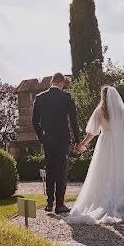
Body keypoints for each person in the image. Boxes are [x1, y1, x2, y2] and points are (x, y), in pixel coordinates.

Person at [66, 85, 124, 224]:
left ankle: (103, 199)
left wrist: (83, 144)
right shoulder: (123, 111)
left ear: (102, 96)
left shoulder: (100, 111)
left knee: (103, 173)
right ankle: (120, 201)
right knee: (120, 172)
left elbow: (92, 132)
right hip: (121, 145)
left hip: (105, 144)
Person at [31, 73, 80, 213]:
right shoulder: (66, 97)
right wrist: (77, 141)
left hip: (48, 140)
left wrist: (42, 136)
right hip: (63, 140)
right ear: (62, 83)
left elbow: (34, 121)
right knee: (62, 171)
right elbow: (73, 121)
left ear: (51, 82)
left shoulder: (40, 98)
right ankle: (60, 205)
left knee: (50, 169)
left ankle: (49, 204)